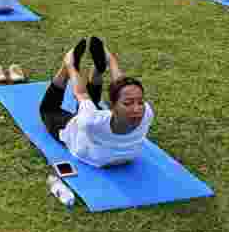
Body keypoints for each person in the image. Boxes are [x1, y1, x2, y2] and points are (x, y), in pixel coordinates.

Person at [39, 38, 153, 167]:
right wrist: (111, 61)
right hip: (129, 156)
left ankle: (64, 69)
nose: (137, 108)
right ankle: (97, 70)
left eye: (139, 102)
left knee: (48, 109)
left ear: (111, 106)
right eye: (129, 103)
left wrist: (70, 66)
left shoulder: (91, 121)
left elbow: (81, 93)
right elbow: (123, 87)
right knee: (92, 105)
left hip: (92, 154)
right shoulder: (147, 112)